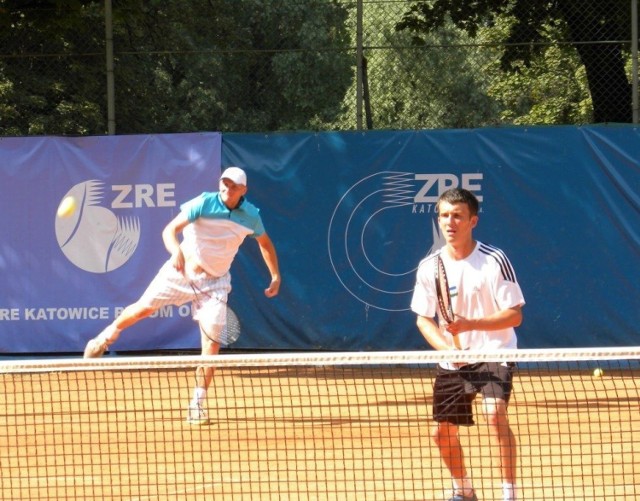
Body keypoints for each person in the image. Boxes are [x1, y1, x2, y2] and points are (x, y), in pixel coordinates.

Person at [83, 166, 281, 425]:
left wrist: (275, 276)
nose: (227, 189)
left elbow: (265, 244)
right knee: (144, 308)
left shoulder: (251, 216)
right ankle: (105, 337)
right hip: (182, 272)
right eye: (224, 183)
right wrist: (175, 249)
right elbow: (169, 230)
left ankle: (197, 404)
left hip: (216, 284)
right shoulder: (203, 202)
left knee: (211, 343)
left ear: (243, 190)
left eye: (233, 186)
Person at [410, 188, 525, 501]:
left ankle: (509, 494)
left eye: (458, 215)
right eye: (445, 215)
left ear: (472, 221)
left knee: (494, 415)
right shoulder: (429, 268)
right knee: (442, 434)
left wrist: (471, 324)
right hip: (455, 361)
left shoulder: (493, 261)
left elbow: (514, 316)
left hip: (493, 353)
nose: (450, 222)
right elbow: (423, 320)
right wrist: (448, 351)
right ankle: (464, 491)